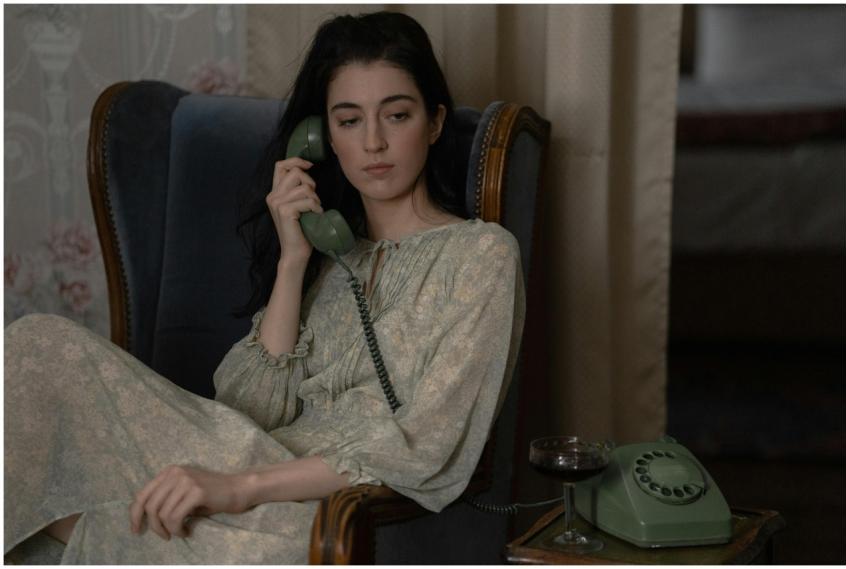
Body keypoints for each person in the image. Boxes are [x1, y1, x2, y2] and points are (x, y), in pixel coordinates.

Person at [4, 10, 525, 564]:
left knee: (176, 537)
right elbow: (244, 409)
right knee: (40, 344)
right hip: (239, 461)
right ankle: (95, 528)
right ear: (322, 138)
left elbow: (425, 446)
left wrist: (239, 486)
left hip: (316, 503)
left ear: (436, 122)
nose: (374, 142)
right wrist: (294, 262)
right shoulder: (330, 259)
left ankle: (82, 529)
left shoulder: (483, 255)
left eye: (396, 115)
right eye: (348, 121)